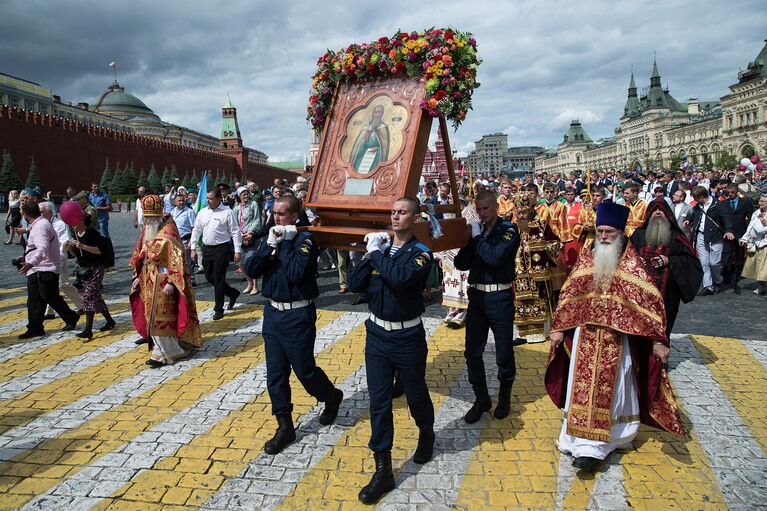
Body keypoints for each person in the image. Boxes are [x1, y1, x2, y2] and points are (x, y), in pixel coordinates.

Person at [545, 201, 685, 474]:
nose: (604, 236)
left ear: (621, 233)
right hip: (584, 338)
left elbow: (650, 304)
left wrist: (657, 340)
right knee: (582, 390)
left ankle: (611, 439)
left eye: (609, 231)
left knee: (617, 391)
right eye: (600, 231)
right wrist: (559, 328)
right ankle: (583, 444)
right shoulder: (588, 259)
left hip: (618, 343)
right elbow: (570, 295)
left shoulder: (633, 266)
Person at [347, 197, 436, 504]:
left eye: (402, 212)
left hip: (407, 336)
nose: (396, 217)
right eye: (393, 212)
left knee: (415, 394)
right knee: (379, 401)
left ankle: (426, 431)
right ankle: (383, 467)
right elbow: (356, 284)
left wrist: (376, 254)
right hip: (377, 336)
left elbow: (399, 280)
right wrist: (368, 255)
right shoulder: (381, 250)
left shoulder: (422, 253)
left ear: (416, 217)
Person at [243, 195, 343, 454]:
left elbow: (297, 273)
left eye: (282, 214)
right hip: (273, 314)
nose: (276, 218)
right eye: (274, 213)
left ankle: (330, 396)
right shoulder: (271, 237)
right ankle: (285, 426)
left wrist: (285, 244)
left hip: (298, 315)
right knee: (275, 374)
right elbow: (252, 270)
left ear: (295, 216)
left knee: (304, 370)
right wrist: (269, 245)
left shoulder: (305, 240)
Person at [454, 190, 521, 423]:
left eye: (485, 208)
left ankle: (504, 397)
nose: (481, 213)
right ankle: (481, 398)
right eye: (478, 209)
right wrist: (468, 240)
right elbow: (460, 263)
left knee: (503, 352)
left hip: (499, 298)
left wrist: (476, 239)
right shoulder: (478, 232)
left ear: (495, 208)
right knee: (472, 352)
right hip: (477, 299)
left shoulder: (509, 231)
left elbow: (494, 258)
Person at [130, 195, 203, 367]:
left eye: (149, 218)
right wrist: (137, 277)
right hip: (148, 279)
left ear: (157, 216)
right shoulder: (148, 228)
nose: (146, 221)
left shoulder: (169, 231)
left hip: (164, 282)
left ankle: (168, 352)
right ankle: (160, 349)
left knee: (161, 318)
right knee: (150, 315)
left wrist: (171, 282)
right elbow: (140, 254)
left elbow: (176, 259)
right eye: (145, 218)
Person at [630, 198, 703, 336]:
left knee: (663, 325)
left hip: (667, 292)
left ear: (668, 214)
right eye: (654, 211)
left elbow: (691, 262)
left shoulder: (676, 237)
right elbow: (627, 256)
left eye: (661, 210)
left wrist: (669, 260)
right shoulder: (638, 234)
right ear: (649, 214)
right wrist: (637, 260)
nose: (657, 213)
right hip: (640, 291)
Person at [16, 201, 80, 339]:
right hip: (39, 269)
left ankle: (71, 317)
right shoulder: (40, 225)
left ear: (26, 215)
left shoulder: (40, 226)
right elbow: (37, 247)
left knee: (50, 297)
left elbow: (43, 248)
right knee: (35, 300)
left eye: (21, 212)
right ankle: (35, 327)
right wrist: (25, 257)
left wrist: (30, 263)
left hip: (44, 268)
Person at [510, 193, 558, 345]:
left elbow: (556, 243)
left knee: (539, 300)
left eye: (524, 212)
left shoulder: (542, 225)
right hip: (518, 274)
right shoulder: (513, 228)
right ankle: (523, 334)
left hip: (538, 275)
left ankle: (539, 333)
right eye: (519, 213)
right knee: (521, 303)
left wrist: (545, 248)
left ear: (530, 211)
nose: (521, 216)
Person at [190, 187, 241, 320]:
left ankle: (218, 308)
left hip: (221, 249)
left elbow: (235, 232)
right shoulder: (202, 212)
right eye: (207, 198)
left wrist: (237, 250)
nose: (208, 201)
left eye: (211, 198)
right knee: (209, 277)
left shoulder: (227, 212)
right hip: (207, 248)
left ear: (219, 198)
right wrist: (193, 248)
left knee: (218, 279)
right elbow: (196, 230)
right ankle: (233, 293)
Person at [64, 211, 116, 339]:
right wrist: (70, 247)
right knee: (95, 297)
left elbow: (99, 250)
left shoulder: (91, 232)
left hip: (96, 268)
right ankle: (110, 321)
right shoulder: (77, 234)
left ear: (82, 221)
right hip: (85, 269)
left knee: (88, 296)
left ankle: (88, 330)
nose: (72, 224)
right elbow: (77, 255)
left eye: (75, 221)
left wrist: (82, 245)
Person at [39, 202, 82, 318]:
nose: (39, 214)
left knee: (63, 284)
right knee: (48, 285)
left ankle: (81, 305)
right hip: (45, 258)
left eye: (41, 211)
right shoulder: (39, 223)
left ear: (49, 212)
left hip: (58, 257)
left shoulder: (59, 224)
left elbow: (65, 240)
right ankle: (50, 311)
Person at [690, 186, 733, 296]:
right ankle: (707, 286)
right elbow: (694, 216)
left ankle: (718, 281)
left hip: (715, 236)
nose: (694, 200)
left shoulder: (718, 205)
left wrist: (729, 230)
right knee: (704, 263)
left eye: (695, 197)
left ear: (701, 196)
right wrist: (688, 221)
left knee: (714, 263)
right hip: (701, 235)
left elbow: (726, 219)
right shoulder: (698, 206)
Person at [721, 183, 754, 294]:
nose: (730, 195)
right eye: (728, 193)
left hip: (740, 232)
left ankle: (736, 277)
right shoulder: (723, 204)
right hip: (727, 233)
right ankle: (727, 276)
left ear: (737, 192)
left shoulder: (745, 202)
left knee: (739, 256)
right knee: (726, 256)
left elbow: (751, 217)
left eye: (732, 193)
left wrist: (749, 232)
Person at [233, 186, 263, 295]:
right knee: (241, 263)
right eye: (243, 194)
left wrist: (250, 233)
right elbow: (234, 223)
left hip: (251, 236)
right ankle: (249, 283)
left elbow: (257, 220)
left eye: (247, 194)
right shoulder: (236, 208)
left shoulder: (253, 204)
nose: (245, 196)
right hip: (240, 238)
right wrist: (240, 235)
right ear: (239, 196)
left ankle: (255, 285)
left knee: (251, 260)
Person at [350, 104, 390, 173]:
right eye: (375, 112)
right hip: (364, 156)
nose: (377, 115)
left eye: (379, 112)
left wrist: (377, 149)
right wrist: (364, 141)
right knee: (358, 169)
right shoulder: (366, 128)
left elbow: (384, 147)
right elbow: (357, 146)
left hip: (376, 157)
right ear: (372, 114)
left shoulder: (383, 128)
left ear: (382, 114)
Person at [740, 194, 767, 295]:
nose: (760, 203)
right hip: (756, 243)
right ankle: (760, 286)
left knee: (765, 268)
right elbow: (750, 227)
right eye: (760, 201)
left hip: (765, 243)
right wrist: (745, 238)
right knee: (758, 266)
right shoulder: (756, 213)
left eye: (762, 202)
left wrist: (764, 223)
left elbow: (763, 229)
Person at [170, 193, 197, 287]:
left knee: (187, 261)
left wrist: (191, 241)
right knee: (176, 261)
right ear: (174, 202)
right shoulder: (172, 212)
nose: (181, 202)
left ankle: (191, 278)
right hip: (175, 240)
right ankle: (179, 279)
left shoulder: (189, 212)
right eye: (179, 201)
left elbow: (194, 227)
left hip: (186, 239)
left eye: (183, 200)